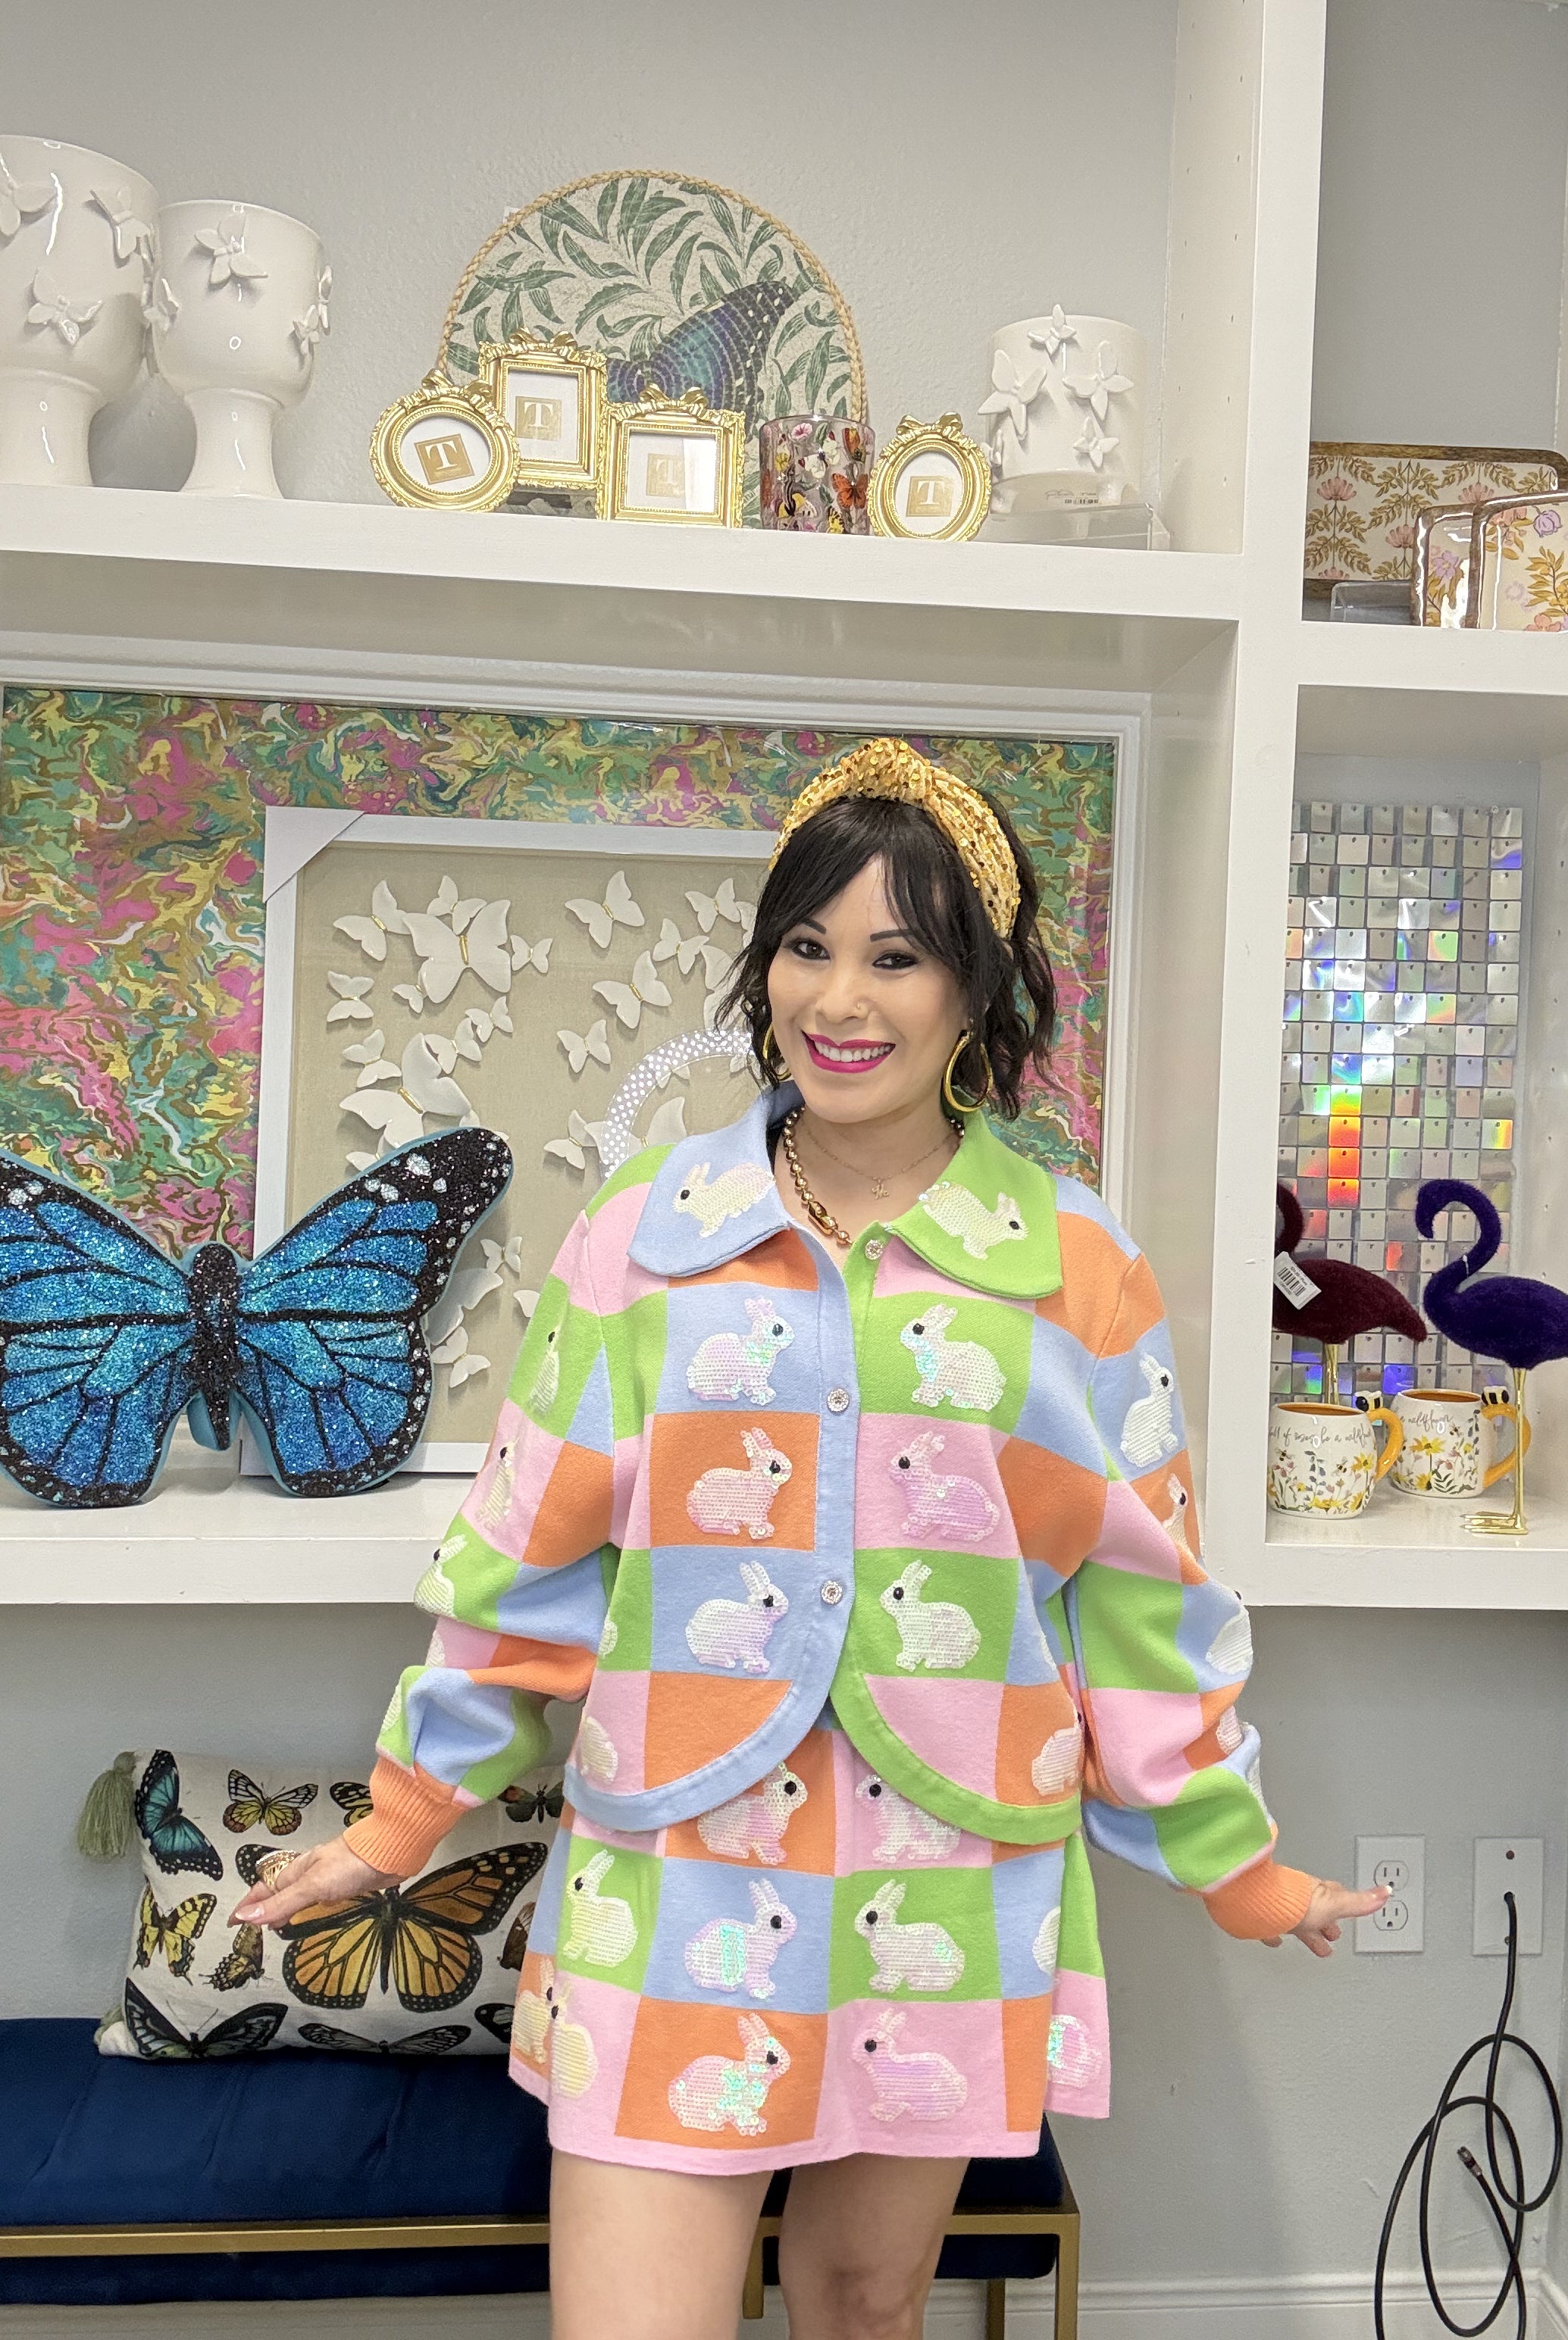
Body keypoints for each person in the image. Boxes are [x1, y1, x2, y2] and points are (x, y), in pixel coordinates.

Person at [234, 740, 1388, 2340]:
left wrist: (1236, 1861)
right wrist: (400, 1816)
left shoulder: (1073, 1265)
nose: (840, 999)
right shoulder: (645, 1237)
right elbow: (525, 1555)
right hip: (679, 1855)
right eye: (807, 945)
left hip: (950, 1865)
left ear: (976, 991)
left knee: (863, 2302)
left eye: (897, 957)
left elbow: (1141, 1603)